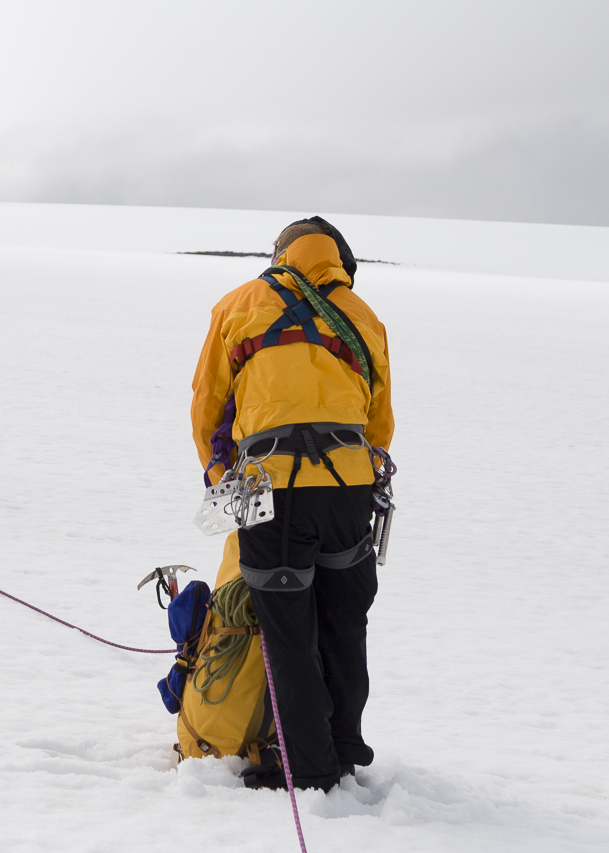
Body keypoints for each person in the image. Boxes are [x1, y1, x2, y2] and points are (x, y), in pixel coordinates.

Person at [190, 217, 393, 791]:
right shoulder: (363, 317)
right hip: (349, 490)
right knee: (345, 623)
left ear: (279, 253)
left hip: (270, 489)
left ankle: (306, 769)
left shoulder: (237, 305)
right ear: (337, 260)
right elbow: (380, 420)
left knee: (288, 631)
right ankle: (345, 747)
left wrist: (218, 475)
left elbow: (208, 407)